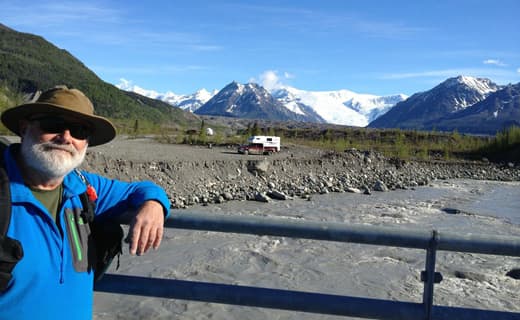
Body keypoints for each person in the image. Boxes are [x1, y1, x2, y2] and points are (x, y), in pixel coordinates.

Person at [0, 85, 170, 319]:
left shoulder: (82, 187)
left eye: (79, 130)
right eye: (52, 124)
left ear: (86, 143)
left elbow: (141, 189)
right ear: (24, 128)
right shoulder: (4, 193)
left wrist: (154, 204)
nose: (66, 137)